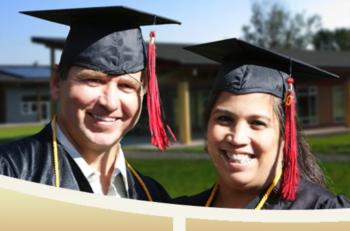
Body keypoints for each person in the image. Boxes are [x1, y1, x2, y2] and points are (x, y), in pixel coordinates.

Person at [0, 6, 179, 202]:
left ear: (144, 91)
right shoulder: (10, 175)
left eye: (126, 85)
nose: (109, 102)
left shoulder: (152, 196)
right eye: (92, 80)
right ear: (56, 83)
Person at [174, 38, 350, 209]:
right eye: (224, 119)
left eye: (257, 122)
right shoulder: (181, 213)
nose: (237, 138)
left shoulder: (323, 215)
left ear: (285, 135)